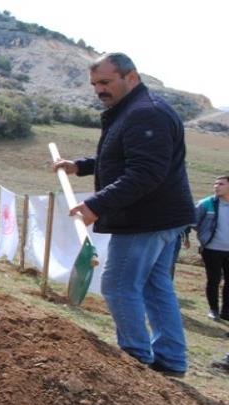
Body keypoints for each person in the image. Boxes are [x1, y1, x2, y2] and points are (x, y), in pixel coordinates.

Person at [53, 53, 195, 377]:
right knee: (156, 287)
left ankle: (135, 361)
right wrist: (81, 166)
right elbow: (121, 156)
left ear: (131, 77)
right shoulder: (135, 110)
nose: (99, 90)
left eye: (105, 82)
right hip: (162, 217)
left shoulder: (146, 113)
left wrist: (96, 205)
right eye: (94, 84)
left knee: (118, 285)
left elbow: (145, 172)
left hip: (146, 219)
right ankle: (171, 360)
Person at [193, 175, 229, 321]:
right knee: (213, 280)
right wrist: (203, 236)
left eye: (221, 184)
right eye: (215, 184)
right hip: (211, 249)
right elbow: (193, 221)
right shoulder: (206, 203)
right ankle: (213, 310)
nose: (216, 186)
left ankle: (226, 311)